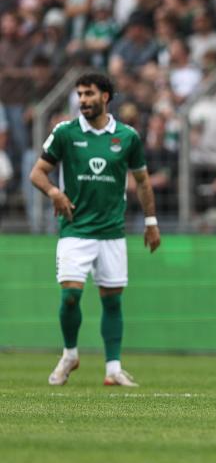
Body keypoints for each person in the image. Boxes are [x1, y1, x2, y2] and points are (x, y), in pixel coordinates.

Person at [29, 73, 161, 387]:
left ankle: (113, 368)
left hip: (112, 233)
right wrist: (54, 193)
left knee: (112, 301)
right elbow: (37, 173)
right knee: (70, 297)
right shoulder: (65, 132)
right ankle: (70, 354)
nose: (83, 100)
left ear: (105, 97)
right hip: (75, 231)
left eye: (89, 93)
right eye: (80, 94)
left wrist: (151, 222)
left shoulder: (127, 137)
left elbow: (142, 182)